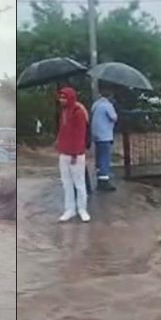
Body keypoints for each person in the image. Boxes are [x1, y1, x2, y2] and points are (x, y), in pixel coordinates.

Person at [56, 86, 90, 223]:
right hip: (64, 153)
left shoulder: (78, 112)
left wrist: (76, 153)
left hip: (76, 154)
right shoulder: (64, 112)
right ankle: (70, 209)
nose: (61, 100)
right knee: (66, 183)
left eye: (64, 97)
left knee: (79, 183)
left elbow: (80, 135)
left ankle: (82, 209)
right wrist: (59, 143)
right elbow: (63, 131)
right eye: (60, 97)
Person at [91, 88, 118, 191]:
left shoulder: (95, 105)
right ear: (110, 96)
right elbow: (114, 117)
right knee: (105, 157)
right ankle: (104, 181)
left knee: (99, 156)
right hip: (105, 135)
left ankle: (99, 177)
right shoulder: (107, 105)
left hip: (96, 135)